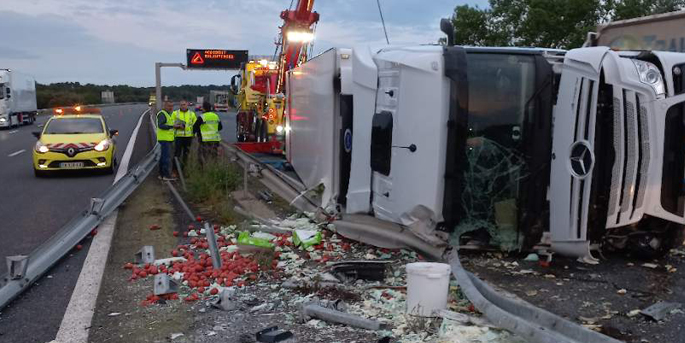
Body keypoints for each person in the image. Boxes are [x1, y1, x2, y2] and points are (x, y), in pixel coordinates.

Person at [156, 100, 179, 181]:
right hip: (164, 139)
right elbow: (161, 125)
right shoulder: (162, 114)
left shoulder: (169, 114)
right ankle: (166, 175)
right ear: (164, 106)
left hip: (167, 139)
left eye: (172, 106)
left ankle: (161, 174)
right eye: (169, 106)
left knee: (163, 157)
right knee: (166, 158)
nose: (171, 108)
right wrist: (172, 126)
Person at [172, 99, 197, 166]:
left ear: (187, 104)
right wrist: (178, 126)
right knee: (177, 154)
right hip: (178, 136)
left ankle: (183, 170)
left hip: (188, 137)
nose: (182, 106)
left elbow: (195, 125)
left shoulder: (192, 114)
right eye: (181, 105)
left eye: (184, 104)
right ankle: (175, 170)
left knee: (186, 155)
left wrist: (195, 134)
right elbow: (171, 124)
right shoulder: (175, 113)